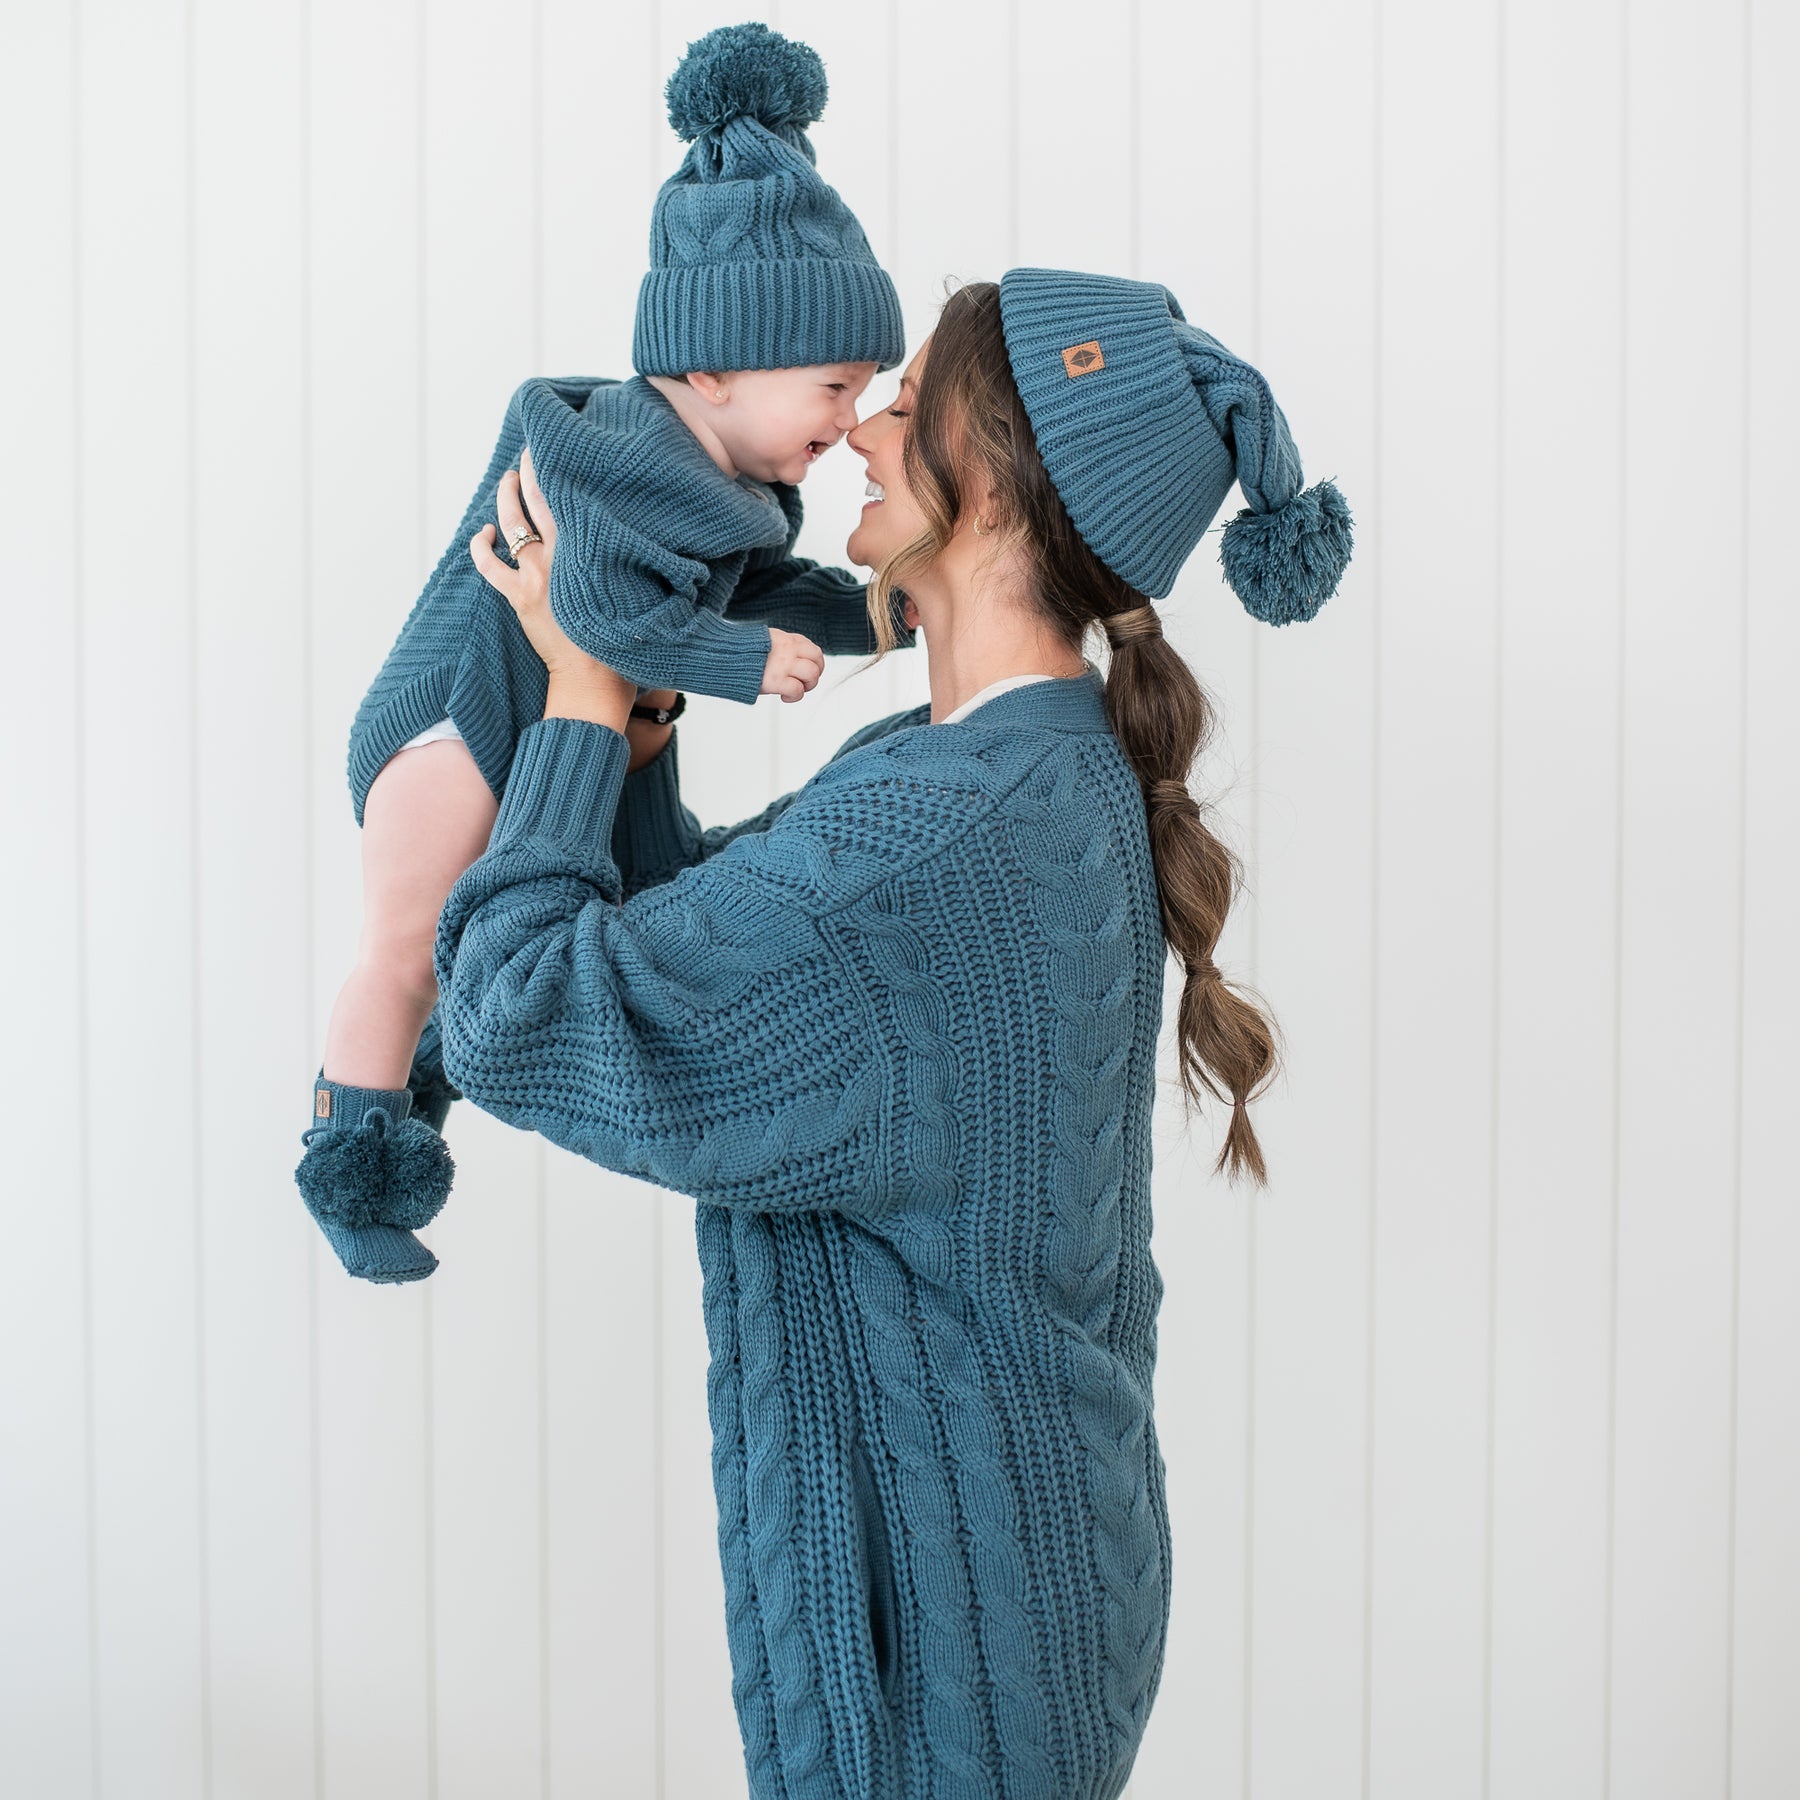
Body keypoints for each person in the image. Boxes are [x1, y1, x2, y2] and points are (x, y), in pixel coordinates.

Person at [439, 273, 1351, 1798]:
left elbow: (520, 1003)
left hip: (951, 1683)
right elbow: (694, 942)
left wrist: (580, 697)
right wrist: (642, 707)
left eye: (905, 404)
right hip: (1029, 1606)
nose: (856, 428)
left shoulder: (942, 840)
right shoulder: (988, 770)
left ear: (987, 486)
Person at [294, 23, 909, 1284]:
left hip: (543, 723)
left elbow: (750, 588)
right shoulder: (627, 459)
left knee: (480, 956)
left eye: (863, 393)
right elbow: (602, 619)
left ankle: (405, 1087)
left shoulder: (716, 468)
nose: (849, 426)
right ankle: (351, 1168)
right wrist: (744, 666)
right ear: (713, 366)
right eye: (834, 390)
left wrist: (878, 611)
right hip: (454, 725)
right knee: (402, 953)